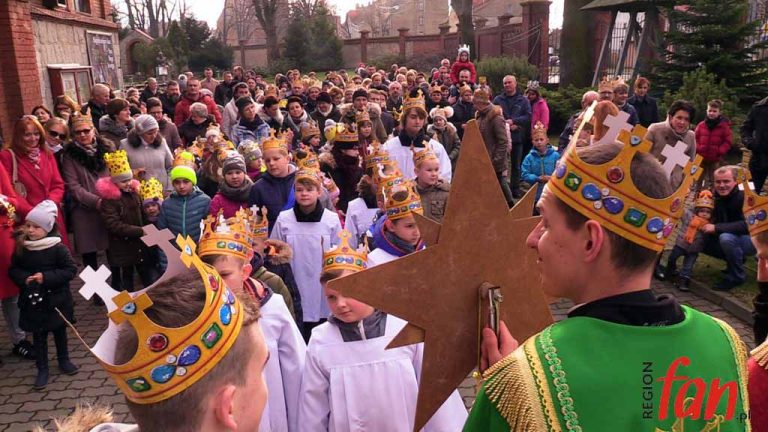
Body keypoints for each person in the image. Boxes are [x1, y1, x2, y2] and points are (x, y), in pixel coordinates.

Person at [466, 140, 749, 431]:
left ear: (591, 241)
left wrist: (504, 388)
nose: (532, 239)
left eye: (546, 223)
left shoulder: (528, 379)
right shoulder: (724, 342)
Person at [298, 230, 468, 431]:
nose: (340, 304)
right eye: (331, 297)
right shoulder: (322, 341)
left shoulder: (405, 328)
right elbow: (313, 407)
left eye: (348, 293)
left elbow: (435, 393)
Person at [199, 209, 306, 432]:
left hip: (269, 412)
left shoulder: (272, 306)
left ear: (245, 271)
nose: (216, 284)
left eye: (225, 275)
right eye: (208, 276)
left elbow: (296, 368)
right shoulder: (196, 314)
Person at [9, 200, 77, 389]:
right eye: (29, 225)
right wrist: (25, 278)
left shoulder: (58, 249)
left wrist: (46, 277)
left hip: (57, 299)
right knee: (38, 335)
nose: (30, 230)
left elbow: (70, 270)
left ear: (48, 228)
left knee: (59, 331)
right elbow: (13, 270)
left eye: (36, 227)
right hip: (33, 301)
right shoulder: (23, 248)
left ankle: (64, 360)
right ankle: (42, 367)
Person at [270, 167, 342, 341]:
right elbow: (275, 250)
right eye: (299, 190)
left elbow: (339, 250)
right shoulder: (284, 219)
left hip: (321, 281)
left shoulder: (330, 220)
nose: (304, 194)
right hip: (295, 278)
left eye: (309, 189)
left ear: (319, 192)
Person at [0, 116, 69, 247]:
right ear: (19, 136)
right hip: (27, 219)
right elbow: (8, 189)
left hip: (51, 215)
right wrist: (33, 213)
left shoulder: (46, 153)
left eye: (36, 134)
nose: (33, 139)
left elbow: (57, 184)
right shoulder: (8, 156)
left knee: (59, 257)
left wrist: (50, 204)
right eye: (28, 135)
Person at [96, 150, 159, 291]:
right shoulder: (109, 201)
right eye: (124, 181)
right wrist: (139, 231)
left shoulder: (134, 194)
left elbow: (142, 215)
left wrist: (148, 225)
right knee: (127, 278)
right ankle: (128, 306)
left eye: (129, 179)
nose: (128, 183)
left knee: (145, 274)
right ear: (115, 182)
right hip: (122, 246)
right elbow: (113, 224)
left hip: (139, 244)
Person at [59, 112, 113, 274]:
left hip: (110, 205)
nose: (82, 135)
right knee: (89, 254)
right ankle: (97, 292)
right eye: (78, 132)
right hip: (84, 210)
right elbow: (73, 186)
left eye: (86, 131)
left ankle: (118, 285)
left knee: (114, 249)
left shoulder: (108, 148)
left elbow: (116, 173)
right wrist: (96, 201)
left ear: (93, 130)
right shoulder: (69, 155)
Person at [700, 166, 756, 291]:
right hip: (731, 234)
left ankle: (737, 277)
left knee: (726, 238)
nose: (722, 185)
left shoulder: (744, 197)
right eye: (718, 182)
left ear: (735, 181)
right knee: (699, 239)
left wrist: (716, 227)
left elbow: (748, 225)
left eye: (726, 181)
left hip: (753, 239)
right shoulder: (714, 196)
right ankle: (736, 260)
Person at [0, 165, 35, 361]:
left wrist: (5, 203)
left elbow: (11, 198)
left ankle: (19, 340)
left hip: (2, 238)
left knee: (11, 293)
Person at [383, 90, 452, 182]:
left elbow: (444, 176)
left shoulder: (435, 147)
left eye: (421, 118)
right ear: (404, 119)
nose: (418, 121)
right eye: (413, 117)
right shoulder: (389, 147)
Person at [657, 190, 715, 291]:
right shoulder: (689, 218)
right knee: (672, 258)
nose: (704, 214)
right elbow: (685, 210)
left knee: (688, 267)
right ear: (696, 211)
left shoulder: (708, 225)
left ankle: (684, 282)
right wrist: (696, 201)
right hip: (681, 245)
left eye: (708, 212)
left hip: (694, 249)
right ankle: (670, 270)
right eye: (702, 211)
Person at [367, 171, 425, 266]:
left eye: (420, 224)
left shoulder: (427, 248)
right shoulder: (375, 260)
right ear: (391, 226)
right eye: (409, 226)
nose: (417, 232)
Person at [248, 132, 297, 232]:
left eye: (276, 159)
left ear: (287, 159)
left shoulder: (301, 181)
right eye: (267, 160)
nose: (271, 163)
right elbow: (254, 220)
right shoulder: (258, 188)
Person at [475, 87, 514, 207]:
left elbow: (503, 141)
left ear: (482, 103)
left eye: (476, 103)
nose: (474, 106)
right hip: (483, 158)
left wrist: (496, 161)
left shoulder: (496, 117)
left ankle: (510, 205)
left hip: (494, 159)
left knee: (500, 182)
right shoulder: (480, 115)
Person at [493, 75, 531, 198]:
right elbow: (492, 114)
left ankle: (515, 188)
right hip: (501, 139)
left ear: (515, 84)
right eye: (505, 83)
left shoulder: (523, 100)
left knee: (516, 165)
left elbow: (528, 116)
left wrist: (515, 122)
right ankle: (500, 189)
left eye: (509, 82)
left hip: (517, 137)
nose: (507, 85)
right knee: (500, 164)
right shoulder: (498, 100)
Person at [157, 157, 211, 243]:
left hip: (197, 252)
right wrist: (166, 255)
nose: (181, 186)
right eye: (177, 182)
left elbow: (210, 230)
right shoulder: (167, 204)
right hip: (174, 252)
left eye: (186, 182)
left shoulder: (204, 201)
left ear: (193, 182)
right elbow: (162, 232)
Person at [646, 100, 696, 185]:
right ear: (670, 117)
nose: (682, 122)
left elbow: (690, 165)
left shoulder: (690, 137)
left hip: (674, 186)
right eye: (679, 118)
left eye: (686, 119)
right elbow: (641, 156)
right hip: (650, 181)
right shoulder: (655, 129)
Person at [119, 114, 173, 191]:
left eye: (156, 132)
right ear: (140, 133)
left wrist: (170, 188)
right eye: (149, 133)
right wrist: (134, 173)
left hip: (162, 192)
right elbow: (120, 173)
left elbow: (170, 167)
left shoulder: (162, 143)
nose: (154, 136)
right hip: (138, 192)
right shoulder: (125, 145)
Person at [319, 123, 363, 214]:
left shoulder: (357, 168)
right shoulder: (327, 167)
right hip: (333, 211)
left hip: (354, 212)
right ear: (343, 149)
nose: (358, 152)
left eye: (358, 149)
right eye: (354, 149)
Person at [521, 121, 560, 210]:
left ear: (547, 140)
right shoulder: (529, 158)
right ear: (533, 142)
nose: (539, 142)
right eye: (536, 140)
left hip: (552, 193)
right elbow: (524, 174)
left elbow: (560, 172)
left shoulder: (555, 156)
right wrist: (537, 178)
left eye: (541, 139)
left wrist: (552, 178)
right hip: (536, 194)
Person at [695, 99, 732, 191]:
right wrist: (698, 148)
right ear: (707, 111)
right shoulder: (701, 125)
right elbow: (695, 138)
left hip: (715, 159)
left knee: (714, 180)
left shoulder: (724, 126)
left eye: (714, 111)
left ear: (719, 112)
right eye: (710, 111)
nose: (712, 113)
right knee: (698, 179)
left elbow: (728, 141)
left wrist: (720, 151)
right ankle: (696, 198)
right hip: (701, 158)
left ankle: (713, 200)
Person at [413, 145, 450, 223]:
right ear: (417, 172)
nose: (434, 174)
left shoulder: (445, 193)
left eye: (436, 170)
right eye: (429, 170)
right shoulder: (409, 192)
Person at [209, 152, 253, 219]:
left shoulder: (255, 193)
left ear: (244, 173)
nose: (234, 176)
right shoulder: (218, 200)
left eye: (238, 172)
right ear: (224, 176)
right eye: (229, 173)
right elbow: (212, 224)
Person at [741, 95, 768, 194]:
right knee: (750, 193)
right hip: (759, 158)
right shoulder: (758, 107)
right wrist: (750, 143)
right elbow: (745, 128)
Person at [427, 106, 460, 173]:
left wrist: (450, 157)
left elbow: (457, 145)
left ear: (444, 121)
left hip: (452, 161)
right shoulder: (430, 133)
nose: (438, 122)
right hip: (436, 161)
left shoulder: (451, 131)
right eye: (436, 120)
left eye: (440, 120)